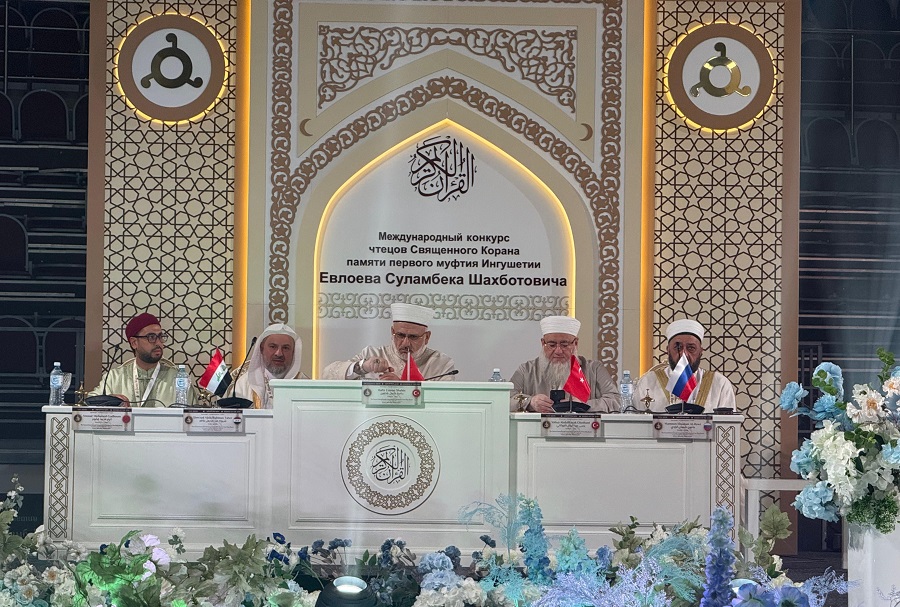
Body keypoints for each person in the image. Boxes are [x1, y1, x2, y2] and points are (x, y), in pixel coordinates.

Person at [509, 315, 619, 413]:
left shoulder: (594, 369)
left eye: (564, 345)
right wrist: (530, 402)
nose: (558, 351)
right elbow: (505, 399)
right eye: (552, 345)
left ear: (575, 343)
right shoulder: (526, 370)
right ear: (543, 343)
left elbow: (616, 400)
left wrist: (583, 405)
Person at [321, 302, 456, 381]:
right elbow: (327, 375)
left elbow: (445, 402)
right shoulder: (372, 354)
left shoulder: (441, 364)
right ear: (392, 332)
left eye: (413, 337)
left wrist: (402, 388)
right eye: (400, 335)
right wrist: (363, 366)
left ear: (427, 337)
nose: (405, 343)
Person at [88, 312, 197, 407]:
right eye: (151, 337)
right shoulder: (114, 378)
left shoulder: (178, 378)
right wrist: (110, 400)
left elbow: (193, 415)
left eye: (160, 337)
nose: (158, 343)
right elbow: (89, 404)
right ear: (134, 343)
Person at [632, 319, 736, 412]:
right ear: (668, 350)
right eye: (678, 347)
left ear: (700, 352)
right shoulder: (647, 382)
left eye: (691, 348)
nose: (683, 354)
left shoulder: (720, 384)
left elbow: (727, 424)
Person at [230, 323, 303, 409]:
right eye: (273, 347)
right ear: (261, 349)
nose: (279, 353)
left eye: (285, 348)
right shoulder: (244, 384)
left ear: (293, 352)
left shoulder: (303, 384)